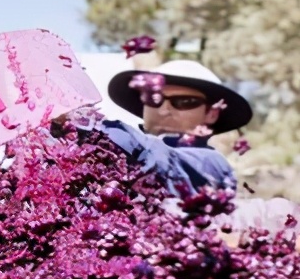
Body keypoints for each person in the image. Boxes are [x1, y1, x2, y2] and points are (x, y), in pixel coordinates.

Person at [69, 59, 253, 195]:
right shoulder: (114, 149)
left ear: (212, 113)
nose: (164, 110)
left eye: (184, 101)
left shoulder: (212, 165)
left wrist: (79, 121)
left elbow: (158, 161)